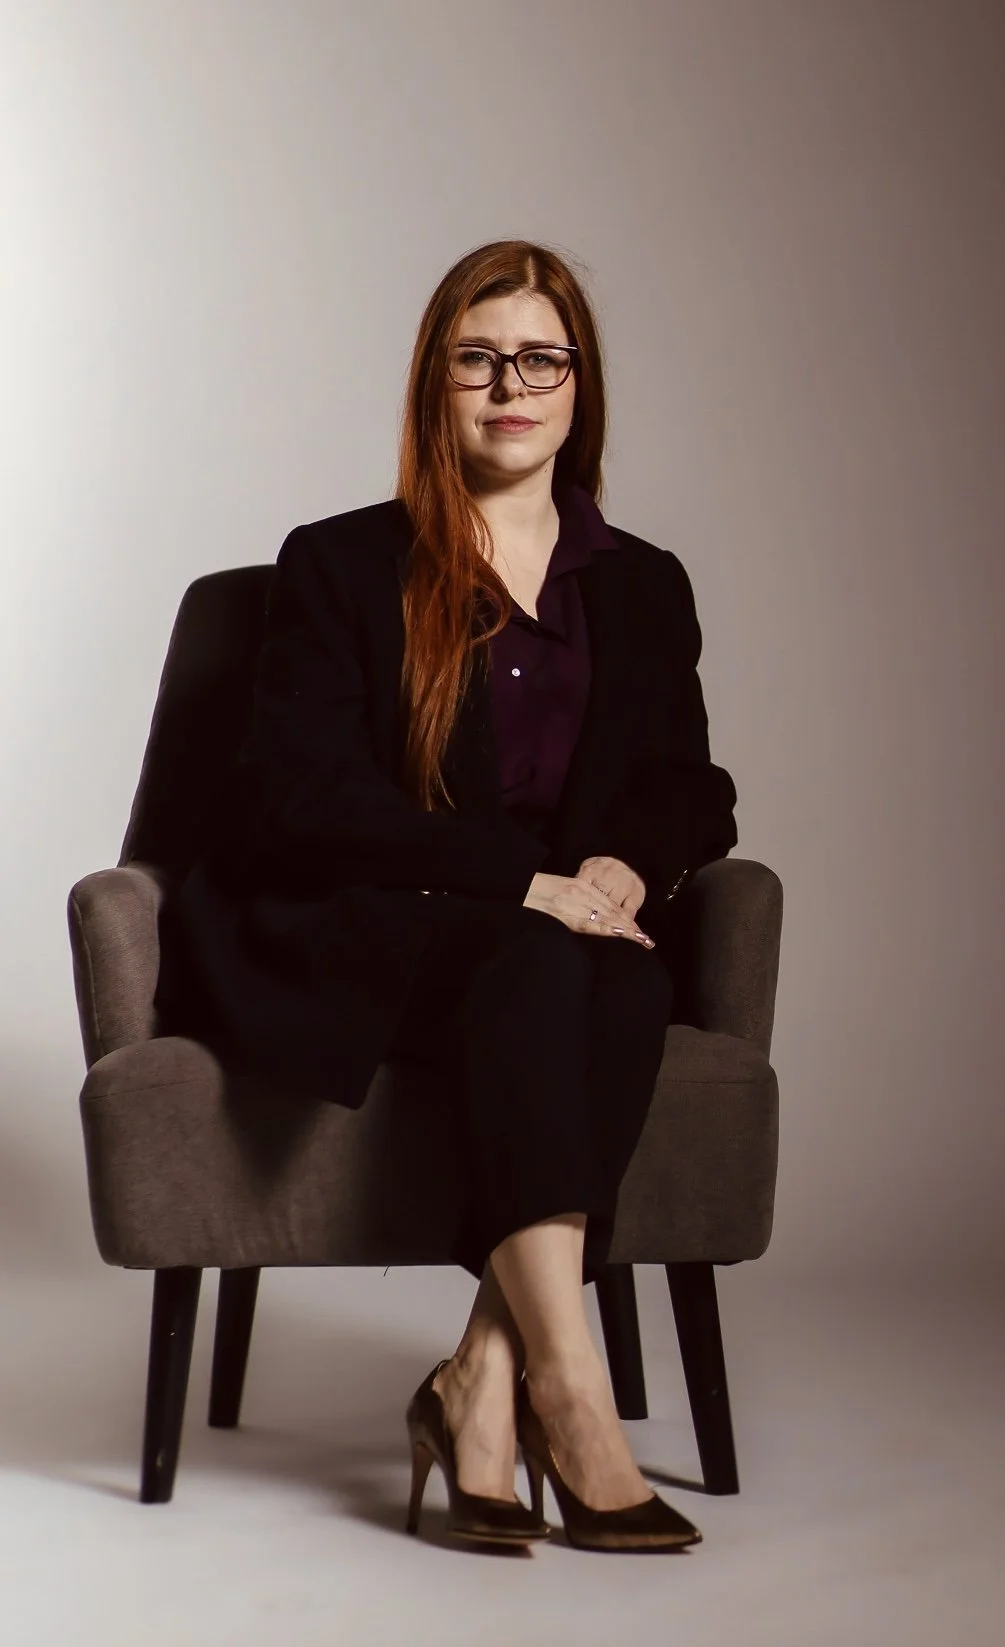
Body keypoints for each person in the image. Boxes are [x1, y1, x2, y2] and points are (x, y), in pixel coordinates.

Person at [155, 239, 738, 1552]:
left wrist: (615, 869)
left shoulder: (640, 584)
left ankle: (481, 1378)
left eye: (539, 356)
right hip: (373, 922)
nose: (510, 385)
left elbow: (690, 786)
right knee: (538, 958)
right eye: (478, 358)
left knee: (623, 967)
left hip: (554, 936)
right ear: (437, 381)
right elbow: (301, 800)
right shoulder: (342, 563)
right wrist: (520, 880)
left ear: (579, 382)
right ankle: (574, 1403)